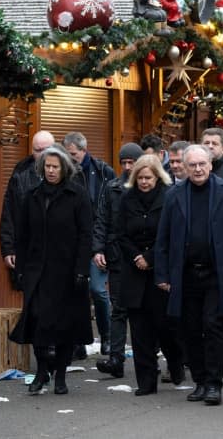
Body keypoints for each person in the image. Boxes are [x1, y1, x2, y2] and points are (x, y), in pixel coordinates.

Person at [154, 145, 223, 406]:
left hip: (217, 274)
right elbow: (162, 238)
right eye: (192, 165)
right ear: (185, 167)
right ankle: (199, 381)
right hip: (185, 275)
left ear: (210, 164)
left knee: (213, 325)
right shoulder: (174, 194)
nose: (197, 169)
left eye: (202, 164)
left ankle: (214, 384)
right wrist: (162, 274)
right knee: (190, 329)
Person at [9, 145, 93, 396]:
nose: (51, 171)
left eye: (55, 167)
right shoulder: (32, 195)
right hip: (38, 271)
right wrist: (20, 268)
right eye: (47, 166)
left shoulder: (77, 195)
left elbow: (85, 235)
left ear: (64, 169)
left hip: (67, 272)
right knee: (37, 322)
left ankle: (61, 376)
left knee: (65, 325)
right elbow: (22, 235)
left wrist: (81, 269)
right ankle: (43, 369)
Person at [118, 155, 182, 396]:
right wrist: (136, 256)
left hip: (160, 270)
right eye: (140, 178)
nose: (144, 182)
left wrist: (150, 257)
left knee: (165, 326)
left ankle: (175, 362)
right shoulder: (127, 199)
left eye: (149, 178)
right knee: (139, 329)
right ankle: (146, 381)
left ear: (157, 177)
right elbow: (121, 234)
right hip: (134, 271)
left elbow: (171, 235)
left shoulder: (170, 197)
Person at [94, 143, 144, 379]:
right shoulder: (112, 187)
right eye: (123, 162)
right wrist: (98, 249)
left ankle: (148, 358)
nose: (126, 167)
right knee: (118, 309)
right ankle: (116, 359)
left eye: (130, 162)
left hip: (142, 257)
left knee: (143, 311)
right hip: (116, 256)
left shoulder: (148, 186)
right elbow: (101, 220)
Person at [63, 132, 116, 358]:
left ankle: (107, 336)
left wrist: (102, 245)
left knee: (97, 289)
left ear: (83, 150)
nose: (70, 157)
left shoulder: (103, 171)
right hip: (73, 242)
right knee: (76, 292)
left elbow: (109, 210)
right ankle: (78, 341)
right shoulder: (65, 173)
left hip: (96, 241)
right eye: (67, 153)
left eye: (73, 153)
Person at [0, 130, 55, 280]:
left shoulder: (70, 173)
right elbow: (9, 212)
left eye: (46, 150)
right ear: (32, 151)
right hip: (29, 248)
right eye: (38, 150)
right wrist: (8, 248)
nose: (42, 154)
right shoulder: (20, 172)